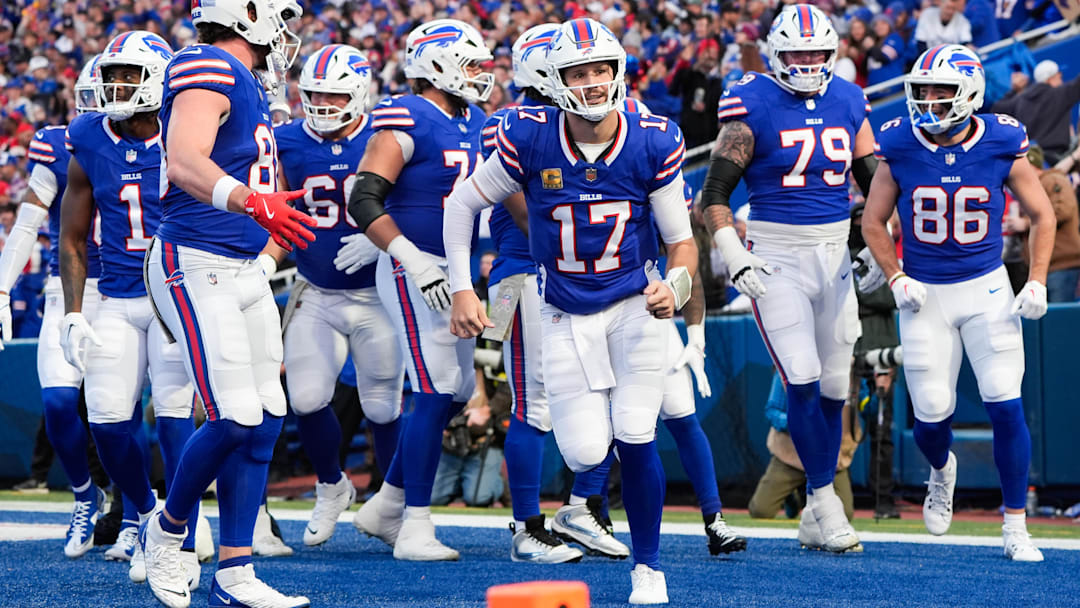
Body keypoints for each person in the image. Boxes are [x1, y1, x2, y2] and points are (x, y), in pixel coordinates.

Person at [443, 18, 698, 604]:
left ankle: (649, 568)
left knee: (635, 434)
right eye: (577, 73)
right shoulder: (525, 135)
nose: (591, 83)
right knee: (581, 447)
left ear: (619, 71)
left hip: (633, 302)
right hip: (550, 299)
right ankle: (544, 517)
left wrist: (677, 288)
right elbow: (462, 204)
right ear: (555, 81)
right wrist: (461, 286)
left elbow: (681, 242)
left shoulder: (651, 137)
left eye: (599, 70)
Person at [141, 0, 314, 606]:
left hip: (241, 268)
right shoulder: (206, 62)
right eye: (279, 17)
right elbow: (184, 159)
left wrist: (265, 232)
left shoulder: (248, 81)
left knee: (266, 417)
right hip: (194, 260)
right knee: (233, 415)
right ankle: (166, 535)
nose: (286, 33)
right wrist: (250, 201)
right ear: (249, 16)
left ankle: (236, 571)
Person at [861, 44, 1055, 562]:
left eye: (940, 91)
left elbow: (1043, 214)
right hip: (925, 294)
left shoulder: (1000, 138)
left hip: (986, 286)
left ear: (969, 92)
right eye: (921, 90)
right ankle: (941, 469)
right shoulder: (900, 141)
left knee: (1003, 397)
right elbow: (873, 221)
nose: (927, 101)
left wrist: (1034, 280)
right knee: (931, 413)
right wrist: (894, 274)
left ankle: (1015, 525)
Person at [700, 4, 877, 554]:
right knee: (799, 376)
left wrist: (877, 242)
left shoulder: (850, 99)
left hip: (833, 256)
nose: (807, 62)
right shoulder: (750, 98)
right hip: (776, 254)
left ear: (832, 55)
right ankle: (823, 500)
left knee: (832, 386)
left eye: (817, 53)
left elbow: (875, 183)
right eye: (797, 52)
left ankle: (812, 514)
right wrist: (734, 253)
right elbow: (714, 195)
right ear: (777, 52)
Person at [59, 31, 206, 587]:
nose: (117, 85)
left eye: (130, 75)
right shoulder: (89, 136)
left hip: (175, 291)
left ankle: (182, 534)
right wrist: (75, 311)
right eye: (112, 74)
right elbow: (72, 236)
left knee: (173, 417)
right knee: (107, 421)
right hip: (118, 295)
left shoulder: (186, 134)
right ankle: (148, 516)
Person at [346, 18, 491, 562]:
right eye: (471, 62)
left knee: (454, 393)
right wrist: (409, 258)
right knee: (434, 389)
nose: (480, 74)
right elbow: (364, 200)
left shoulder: (475, 119)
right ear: (437, 63)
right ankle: (414, 526)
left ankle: (386, 503)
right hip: (414, 268)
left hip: (455, 272)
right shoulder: (406, 114)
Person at [477, 23, 611, 565]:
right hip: (526, 273)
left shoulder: (579, 123)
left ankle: (582, 506)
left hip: (571, 274)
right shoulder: (512, 126)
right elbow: (516, 207)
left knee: (609, 393)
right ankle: (529, 526)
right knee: (533, 405)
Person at [270, 43, 404, 548]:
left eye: (333, 95)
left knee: (383, 407)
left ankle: (393, 509)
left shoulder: (386, 135)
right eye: (315, 95)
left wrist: (382, 244)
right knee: (305, 398)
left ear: (359, 93)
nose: (322, 105)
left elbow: (414, 204)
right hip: (316, 289)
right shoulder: (287, 141)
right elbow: (277, 211)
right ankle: (332, 485)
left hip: (378, 292)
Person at [0, 55, 108, 559]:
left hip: (133, 288)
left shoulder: (160, 141)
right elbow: (26, 222)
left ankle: (136, 512)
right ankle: (87, 496)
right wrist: (1, 288)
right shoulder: (58, 142)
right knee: (59, 403)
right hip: (67, 286)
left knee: (120, 414)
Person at [748, 371, 859, 522]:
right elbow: (772, 410)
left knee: (844, 515)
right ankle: (791, 495)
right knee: (760, 510)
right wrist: (800, 424)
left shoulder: (852, 371)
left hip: (831, 460)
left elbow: (867, 409)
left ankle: (806, 494)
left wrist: (879, 395)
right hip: (792, 455)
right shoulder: (790, 366)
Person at [1019, 145, 1080, 302]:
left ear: (1030, 165)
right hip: (1047, 267)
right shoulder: (1032, 188)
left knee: (1059, 319)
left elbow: (1062, 210)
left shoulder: (1053, 180)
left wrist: (1025, 223)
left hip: (1061, 265)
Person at [991, 61, 1080, 165]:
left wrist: (1014, 90)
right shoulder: (1060, 94)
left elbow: (996, 109)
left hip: (1033, 159)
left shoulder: (1020, 99)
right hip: (1059, 158)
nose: (1061, 81)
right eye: (1059, 77)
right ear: (1051, 79)